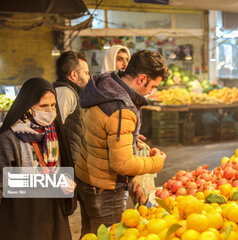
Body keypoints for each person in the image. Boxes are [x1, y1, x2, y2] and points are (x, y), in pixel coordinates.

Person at [75, 50, 168, 236]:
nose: (152, 91)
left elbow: (100, 130)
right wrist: (156, 162)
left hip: (87, 179)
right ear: (141, 79)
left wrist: (129, 139)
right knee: (106, 236)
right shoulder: (122, 108)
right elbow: (122, 164)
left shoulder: (104, 86)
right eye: (153, 86)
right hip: (106, 190)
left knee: (90, 235)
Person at [0, 78, 74, 240]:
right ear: (28, 107)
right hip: (23, 218)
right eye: (43, 106)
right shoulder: (9, 139)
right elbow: (4, 183)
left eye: (53, 105)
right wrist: (50, 182)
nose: (49, 111)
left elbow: (62, 167)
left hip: (54, 214)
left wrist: (66, 180)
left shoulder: (54, 134)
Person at [53, 51, 90, 165]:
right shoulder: (65, 93)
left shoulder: (72, 92)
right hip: (66, 166)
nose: (88, 77)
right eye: (86, 73)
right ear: (74, 75)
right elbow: (52, 130)